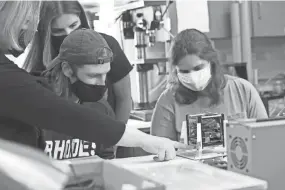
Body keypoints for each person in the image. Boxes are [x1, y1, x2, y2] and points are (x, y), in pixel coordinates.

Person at [0, 1, 187, 162]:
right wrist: (141, 139)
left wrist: (119, 140)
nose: (101, 83)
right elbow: (59, 113)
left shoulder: (101, 109)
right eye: (25, 21)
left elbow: (121, 101)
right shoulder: (30, 86)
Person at [22, 1, 132, 124]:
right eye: (59, 31)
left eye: (73, 25)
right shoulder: (41, 63)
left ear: (81, 19)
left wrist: (115, 138)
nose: (69, 34)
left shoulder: (107, 45)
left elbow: (124, 98)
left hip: (105, 129)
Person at [151, 29, 268, 141]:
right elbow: (160, 150)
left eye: (198, 68)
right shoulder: (168, 101)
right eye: (184, 71)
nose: (193, 77)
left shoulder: (242, 91)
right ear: (176, 71)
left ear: (211, 62)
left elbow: (265, 137)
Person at [42, 28, 118, 160]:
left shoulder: (101, 110)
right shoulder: (36, 108)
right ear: (67, 70)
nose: (102, 83)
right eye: (93, 75)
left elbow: (106, 160)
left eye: (105, 74)